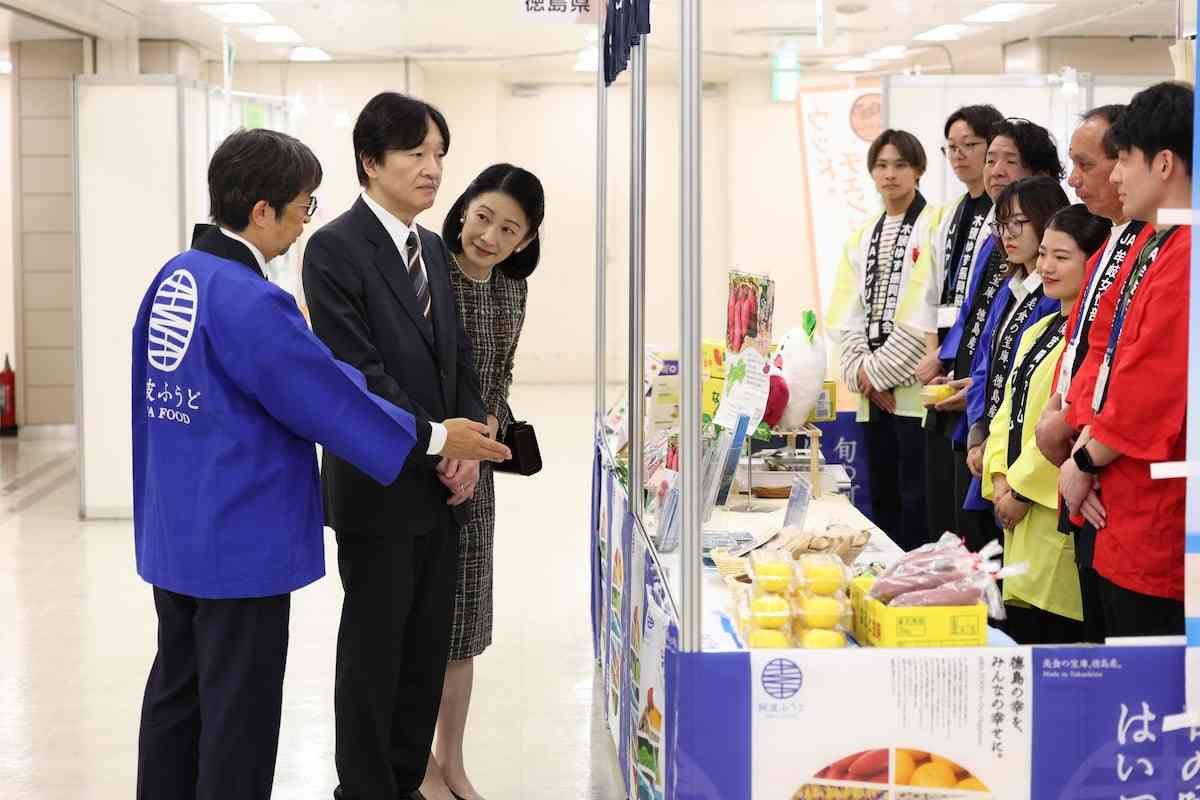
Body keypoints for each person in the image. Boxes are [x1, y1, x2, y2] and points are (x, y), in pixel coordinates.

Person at [133, 128, 508, 800]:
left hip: (177, 532)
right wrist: (431, 437)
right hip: (238, 541)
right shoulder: (250, 299)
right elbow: (323, 395)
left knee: (177, 695)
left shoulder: (175, 278)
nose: (306, 222)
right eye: (303, 207)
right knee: (237, 717)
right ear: (261, 212)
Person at [302, 93, 489, 800]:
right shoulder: (333, 249)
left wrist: (468, 442)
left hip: (443, 492)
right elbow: (355, 372)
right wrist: (441, 441)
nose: (433, 167)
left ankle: (407, 780)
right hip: (378, 485)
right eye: (416, 152)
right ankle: (366, 789)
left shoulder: (433, 247)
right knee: (373, 656)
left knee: (424, 653)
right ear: (370, 161)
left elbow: (459, 359)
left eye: (439, 152)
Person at [413, 164, 545, 800]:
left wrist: (482, 441)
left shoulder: (512, 291)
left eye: (508, 228)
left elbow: (500, 374)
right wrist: (449, 446)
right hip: (423, 465)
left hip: (476, 475)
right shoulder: (427, 271)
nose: (489, 235)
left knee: (463, 625)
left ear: (525, 242)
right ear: (463, 209)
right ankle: (415, 762)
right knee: (418, 623)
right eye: (484, 216)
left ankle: (452, 760)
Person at [1057, 81, 1192, 638]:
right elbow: (1103, 348)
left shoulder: (1187, 255)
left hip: (1155, 513)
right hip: (1117, 498)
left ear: (1163, 163)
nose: (1113, 177)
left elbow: (1153, 385)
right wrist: (1080, 443)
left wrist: (1084, 462)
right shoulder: (1151, 242)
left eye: (1124, 161)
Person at [1031, 105, 1156, 643]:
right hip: (1085, 460)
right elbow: (1087, 351)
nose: (1074, 180)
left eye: (1090, 164)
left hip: (1116, 474)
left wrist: (1083, 450)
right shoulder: (1111, 241)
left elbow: (1143, 375)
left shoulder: (1158, 247)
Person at [931, 119, 1064, 551]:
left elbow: (1033, 387)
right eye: (992, 159)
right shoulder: (1007, 269)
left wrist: (1008, 471)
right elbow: (983, 345)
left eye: (1010, 160)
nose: (996, 169)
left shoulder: (1052, 295)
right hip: (984, 433)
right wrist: (977, 431)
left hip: (1021, 457)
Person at [981, 204, 1110, 645]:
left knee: (1057, 644)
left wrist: (1019, 489)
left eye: (1062, 256)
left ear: (1093, 263)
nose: (1046, 267)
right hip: (1016, 517)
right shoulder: (1040, 330)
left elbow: (1068, 424)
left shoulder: (1091, 339)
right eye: (1044, 255)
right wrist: (998, 479)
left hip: (1051, 511)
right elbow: (1007, 413)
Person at [827, 128, 940, 552]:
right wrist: (865, 377)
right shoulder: (861, 236)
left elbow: (924, 312)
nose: (890, 175)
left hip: (918, 392)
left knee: (918, 501)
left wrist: (880, 374)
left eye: (900, 165)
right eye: (881, 165)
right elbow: (846, 314)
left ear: (919, 170)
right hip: (873, 397)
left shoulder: (935, 225)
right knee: (884, 499)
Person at [909, 104, 1004, 541]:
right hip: (943, 362)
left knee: (970, 511)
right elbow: (929, 289)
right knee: (939, 501)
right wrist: (934, 354)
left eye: (972, 146)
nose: (961, 156)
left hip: (974, 363)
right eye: (953, 147)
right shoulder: (947, 214)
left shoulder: (1006, 217)